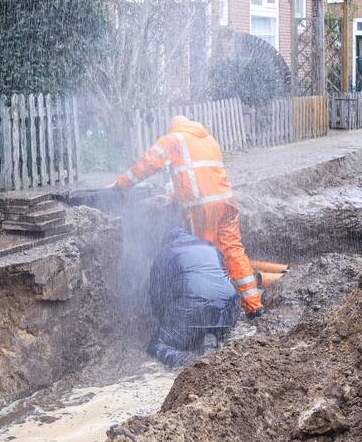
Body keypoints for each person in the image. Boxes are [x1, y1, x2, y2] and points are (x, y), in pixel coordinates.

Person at [113, 115, 264, 316]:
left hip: (201, 209)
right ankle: (254, 305)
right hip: (227, 204)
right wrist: (174, 195)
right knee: (233, 251)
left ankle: (211, 309)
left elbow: (147, 164)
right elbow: (201, 178)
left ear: (174, 127)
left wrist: (121, 185)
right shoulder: (208, 139)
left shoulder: (174, 139)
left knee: (204, 257)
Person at [147, 227, 240, 367]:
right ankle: (214, 334)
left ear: (167, 240)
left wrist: (164, 319)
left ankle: (183, 360)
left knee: (156, 345)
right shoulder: (210, 246)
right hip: (228, 307)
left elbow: (157, 293)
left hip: (192, 309)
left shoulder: (166, 252)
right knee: (211, 325)